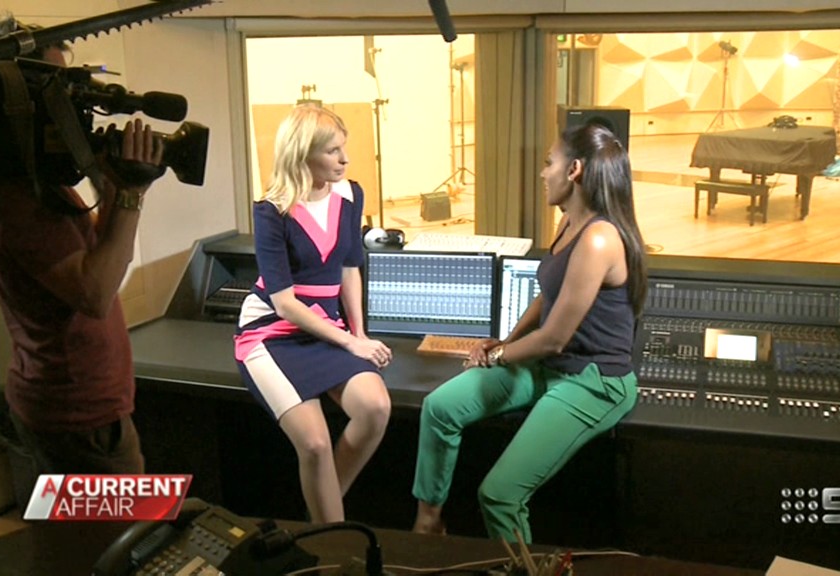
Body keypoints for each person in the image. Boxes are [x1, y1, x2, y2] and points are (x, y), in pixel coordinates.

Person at [412, 123, 648, 543]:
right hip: (548, 366)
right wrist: (506, 341)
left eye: (548, 162)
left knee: (499, 496)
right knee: (439, 407)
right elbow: (549, 296)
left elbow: (554, 337)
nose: (543, 173)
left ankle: (523, 569)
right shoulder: (569, 222)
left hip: (593, 382)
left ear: (574, 170)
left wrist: (498, 357)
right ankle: (429, 523)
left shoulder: (599, 239)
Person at [0, 17, 165, 475]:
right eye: (56, 95)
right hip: (78, 418)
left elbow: (102, 253)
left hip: (81, 407)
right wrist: (131, 195)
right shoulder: (14, 199)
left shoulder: (36, 183)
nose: (69, 109)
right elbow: (95, 292)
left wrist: (115, 183)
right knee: (121, 523)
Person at [234, 105, 392, 523]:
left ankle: (320, 514)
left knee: (375, 408)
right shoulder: (271, 210)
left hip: (329, 327)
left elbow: (350, 269)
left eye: (344, 148)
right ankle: (330, 531)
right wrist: (349, 342)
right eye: (333, 151)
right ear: (303, 154)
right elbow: (284, 303)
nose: (345, 159)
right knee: (315, 444)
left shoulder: (350, 194)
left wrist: (359, 334)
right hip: (273, 332)